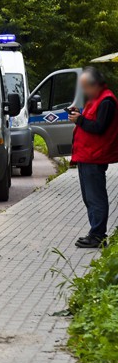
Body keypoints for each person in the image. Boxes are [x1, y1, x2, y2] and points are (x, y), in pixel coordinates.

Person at [68, 67, 118, 248]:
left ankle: (98, 235)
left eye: (85, 87)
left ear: (94, 84)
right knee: (89, 197)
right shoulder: (96, 99)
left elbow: (99, 128)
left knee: (95, 197)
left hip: (95, 157)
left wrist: (79, 120)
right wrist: (78, 114)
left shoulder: (107, 101)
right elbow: (90, 121)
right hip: (86, 156)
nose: (84, 91)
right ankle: (95, 232)